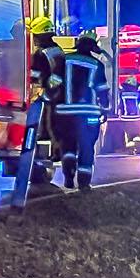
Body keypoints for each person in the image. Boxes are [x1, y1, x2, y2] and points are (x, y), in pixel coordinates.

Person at [55, 34, 110, 190]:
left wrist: (48, 101)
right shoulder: (97, 65)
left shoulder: (63, 61)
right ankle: (84, 183)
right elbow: (102, 91)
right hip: (88, 114)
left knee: (67, 146)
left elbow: (53, 84)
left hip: (65, 114)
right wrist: (105, 110)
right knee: (87, 147)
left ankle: (68, 177)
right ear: (92, 48)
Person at [27, 17, 64, 184]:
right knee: (53, 128)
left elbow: (36, 76)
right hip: (59, 96)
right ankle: (54, 154)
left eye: (35, 35)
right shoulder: (57, 50)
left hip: (48, 97)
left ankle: (42, 158)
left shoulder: (41, 53)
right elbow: (59, 75)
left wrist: (45, 93)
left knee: (44, 128)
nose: (34, 39)